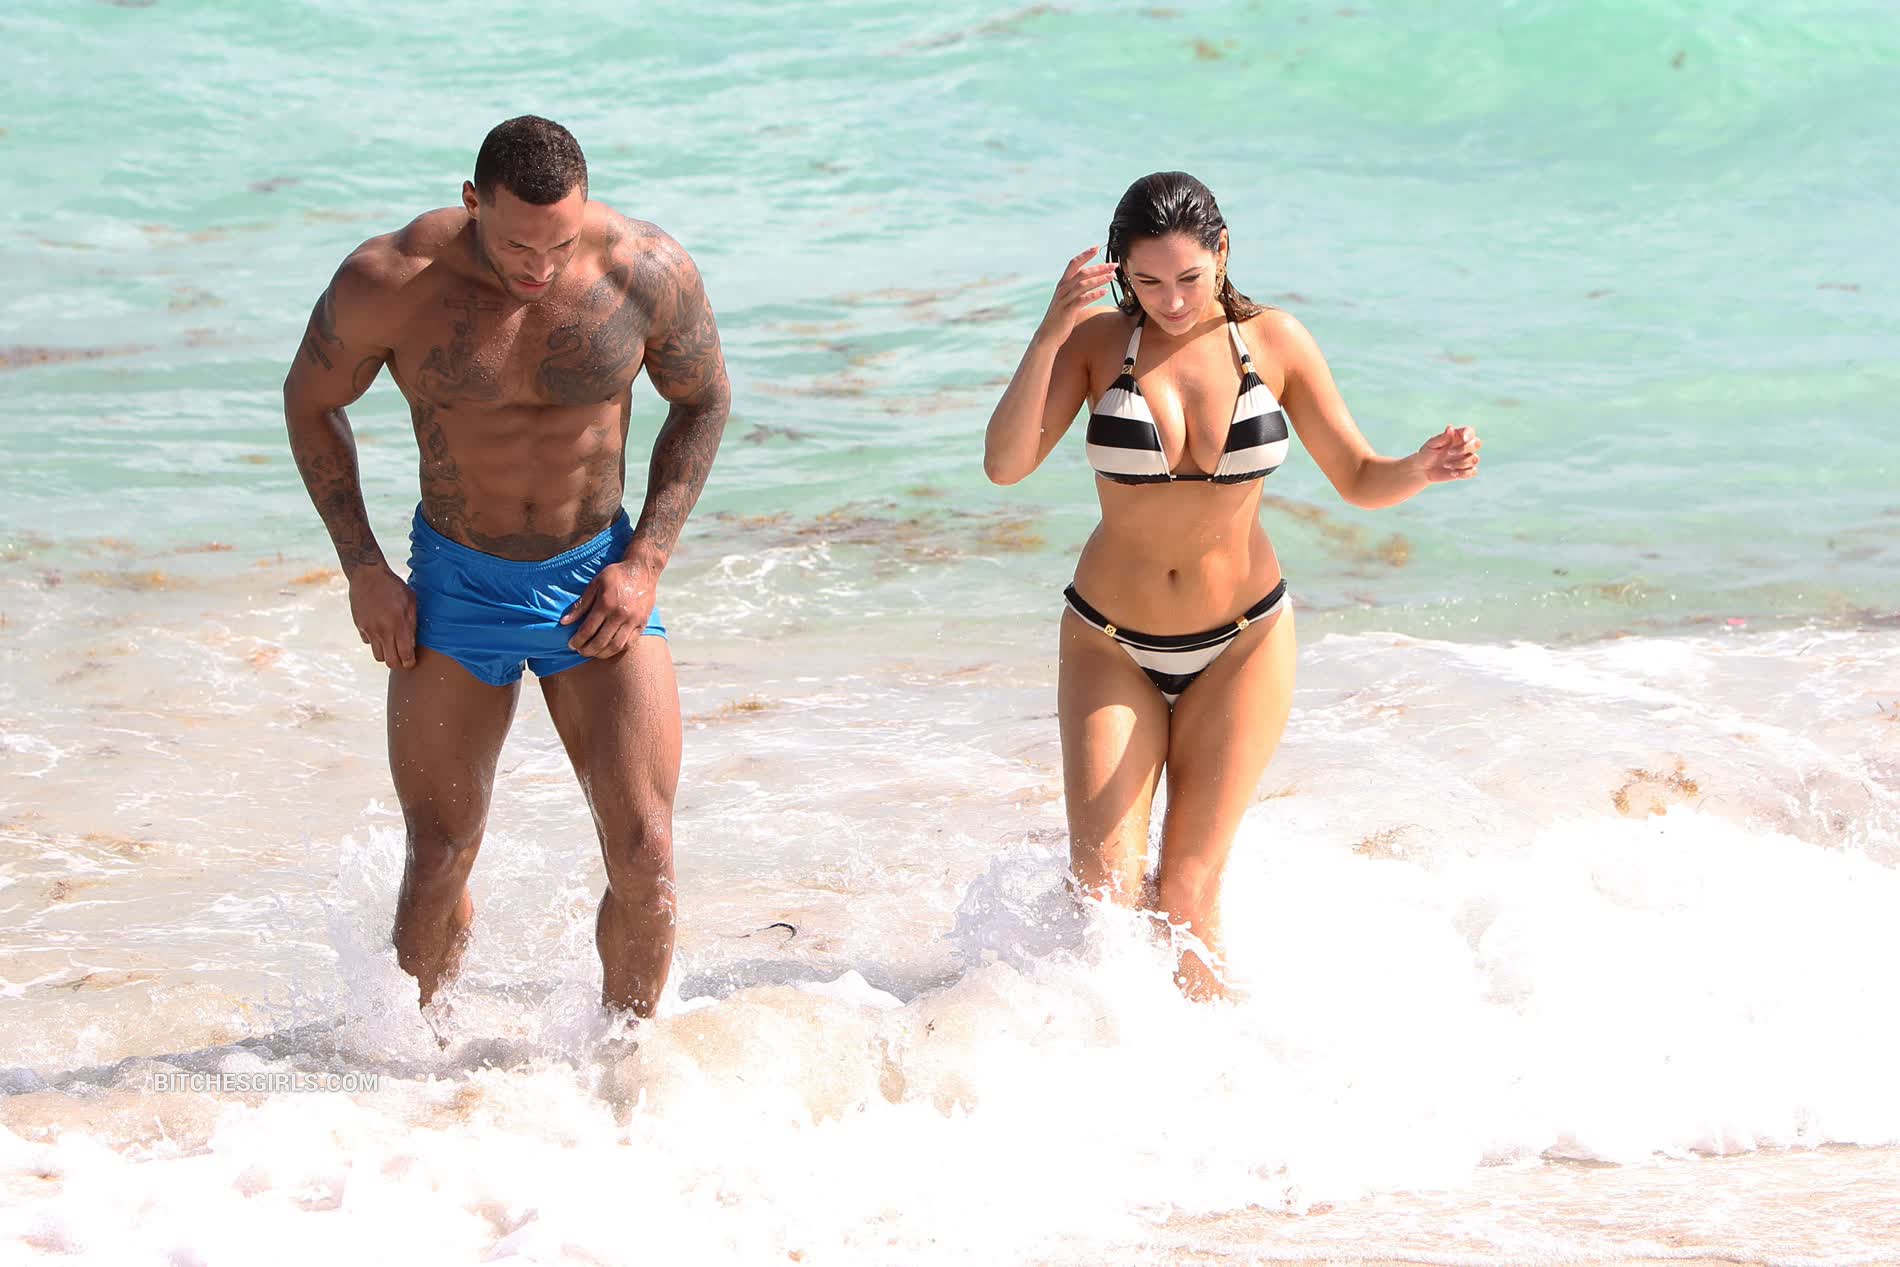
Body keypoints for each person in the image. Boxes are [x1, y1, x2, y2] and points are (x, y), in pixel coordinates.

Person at [983, 171, 1480, 999]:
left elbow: (1359, 475)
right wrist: (1048, 333)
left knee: (1186, 892)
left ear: (1222, 251)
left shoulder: (1275, 341)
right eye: (1147, 282)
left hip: (1242, 641)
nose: (1172, 301)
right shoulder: (1097, 344)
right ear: (1120, 271)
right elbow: (1005, 465)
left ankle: (1219, 1058)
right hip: (1111, 642)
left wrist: (1419, 469)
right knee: (1104, 894)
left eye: (1188, 276)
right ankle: (1095, 1046)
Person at [282, 115, 730, 1018]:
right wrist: (364, 568)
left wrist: (645, 559)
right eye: (519, 245)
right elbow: (310, 400)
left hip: (596, 574)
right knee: (439, 856)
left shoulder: (644, 270)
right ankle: (417, 1065)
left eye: (560, 243)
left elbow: (705, 398)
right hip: (457, 581)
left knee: (646, 854)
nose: (540, 267)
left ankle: (625, 1067)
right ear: (471, 202)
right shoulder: (391, 281)